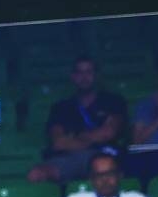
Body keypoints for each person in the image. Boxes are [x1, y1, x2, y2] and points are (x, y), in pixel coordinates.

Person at [27, 56, 127, 185]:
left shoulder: (113, 101)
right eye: (80, 72)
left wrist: (75, 138)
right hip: (70, 158)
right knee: (35, 174)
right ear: (73, 77)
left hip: (104, 156)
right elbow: (58, 142)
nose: (84, 77)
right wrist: (92, 137)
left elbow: (109, 132)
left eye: (89, 72)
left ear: (97, 75)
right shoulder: (61, 107)